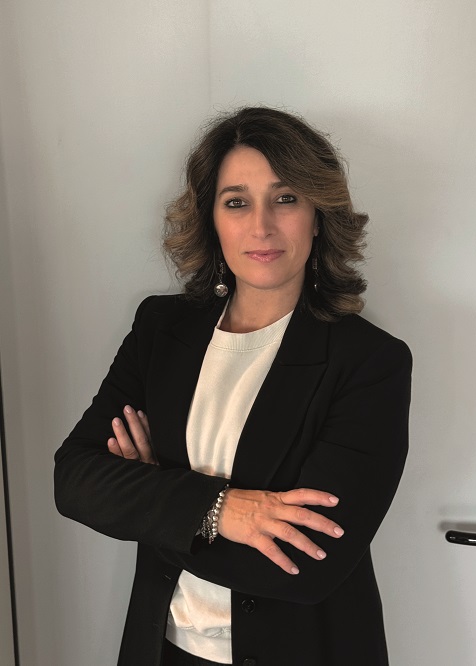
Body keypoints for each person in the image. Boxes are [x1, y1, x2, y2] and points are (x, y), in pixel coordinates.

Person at [54, 106, 412, 666]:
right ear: (211, 219)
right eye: (237, 202)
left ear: (318, 216)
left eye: (286, 198)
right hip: (162, 649)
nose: (261, 226)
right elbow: (75, 480)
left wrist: (150, 499)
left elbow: (305, 567)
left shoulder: (369, 362)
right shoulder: (160, 328)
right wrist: (221, 510)